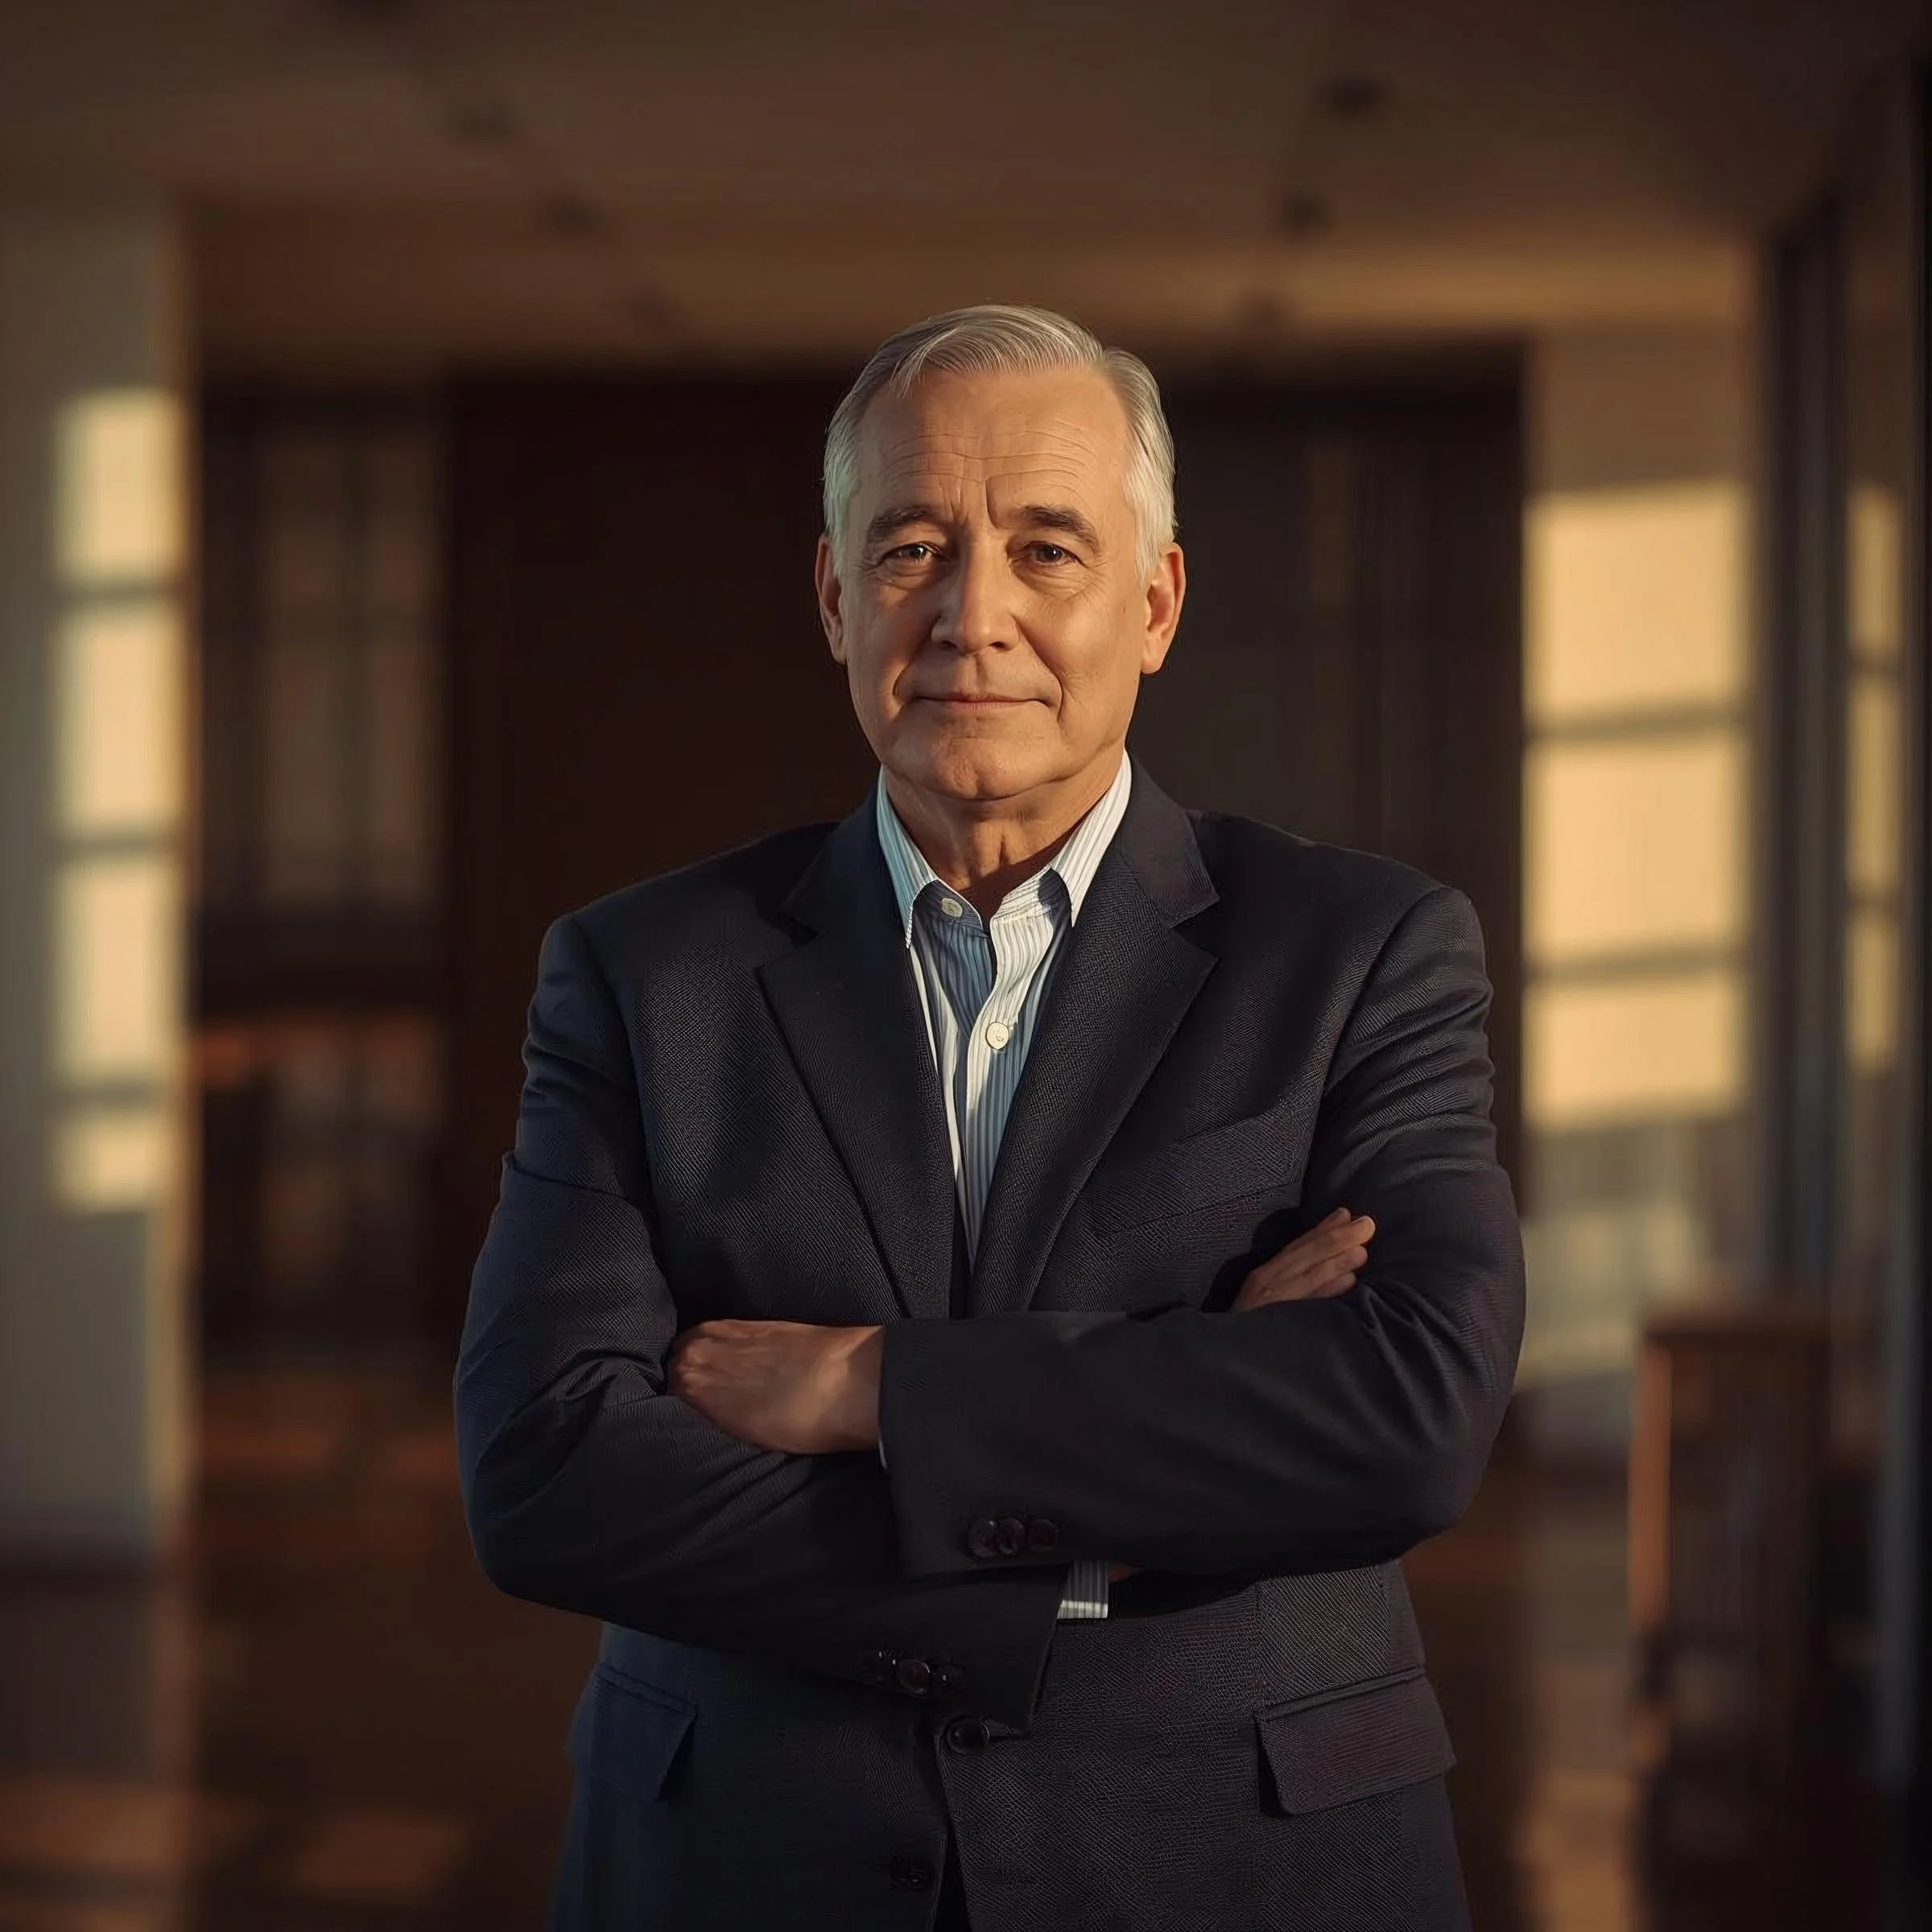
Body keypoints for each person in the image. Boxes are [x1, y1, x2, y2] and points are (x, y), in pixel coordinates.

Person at [455, 303, 1524, 1931]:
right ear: (833, 599)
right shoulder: (638, 974)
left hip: (1248, 1858)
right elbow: (544, 1473)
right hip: (747, 1857)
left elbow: (1408, 1416)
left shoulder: (1364, 951)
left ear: (1154, 603)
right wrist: (1180, 1435)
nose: (972, 614)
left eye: (1045, 548)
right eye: (910, 550)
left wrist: (869, 1386)